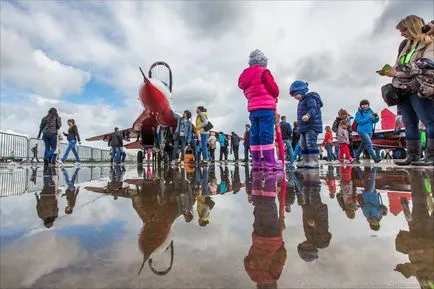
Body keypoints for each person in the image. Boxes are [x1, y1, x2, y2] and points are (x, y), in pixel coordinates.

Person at [380, 15, 434, 166]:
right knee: (409, 123)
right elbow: (400, 64)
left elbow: (425, 64)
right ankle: (413, 155)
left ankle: (431, 155)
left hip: (419, 86)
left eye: (404, 30)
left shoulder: (430, 42)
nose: (401, 34)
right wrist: (391, 70)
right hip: (403, 88)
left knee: (428, 120)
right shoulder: (405, 45)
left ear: (413, 27)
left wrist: (397, 73)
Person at [238, 49, 283, 170]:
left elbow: (246, 92)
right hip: (266, 108)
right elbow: (274, 90)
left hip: (253, 109)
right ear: (263, 62)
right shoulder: (264, 72)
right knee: (266, 134)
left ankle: (256, 162)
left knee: (255, 135)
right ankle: (270, 162)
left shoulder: (245, 76)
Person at [289, 81, 323, 168]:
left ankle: (313, 161)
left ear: (302, 91)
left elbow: (313, 109)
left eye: (296, 94)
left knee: (310, 143)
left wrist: (308, 115)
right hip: (304, 127)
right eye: (293, 95)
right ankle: (306, 160)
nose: (295, 97)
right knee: (303, 144)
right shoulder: (301, 101)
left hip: (312, 125)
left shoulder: (310, 98)